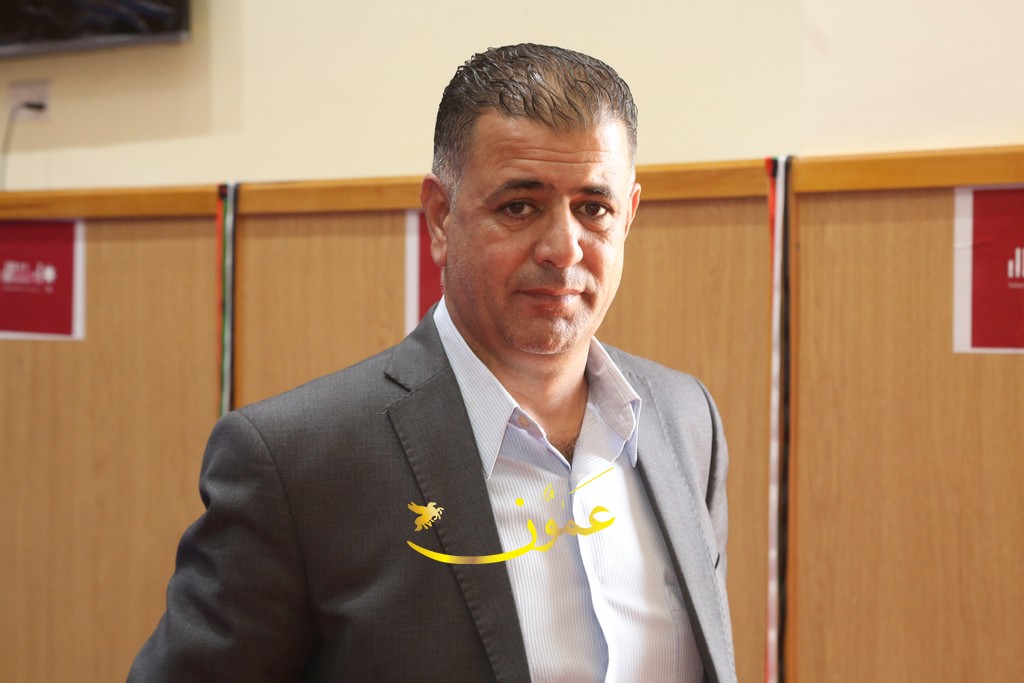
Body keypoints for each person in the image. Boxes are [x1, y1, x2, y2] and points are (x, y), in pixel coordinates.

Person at [128, 43, 736, 683]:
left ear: (628, 215)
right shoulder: (297, 464)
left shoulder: (685, 419)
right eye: (519, 206)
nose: (564, 248)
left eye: (594, 208)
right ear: (441, 218)